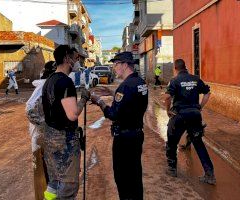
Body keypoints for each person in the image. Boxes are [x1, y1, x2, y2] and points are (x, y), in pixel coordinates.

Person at [90, 51, 148, 200]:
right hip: (136, 134)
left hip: (124, 138)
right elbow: (131, 101)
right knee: (135, 174)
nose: (114, 68)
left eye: (116, 64)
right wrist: (112, 92)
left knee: (123, 177)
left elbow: (113, 114)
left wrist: (99, 102)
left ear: (125, 65)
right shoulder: (140, 82)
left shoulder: (125, 86)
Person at [42, 45, 91, 199]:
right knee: (68, 185)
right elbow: (72, 114)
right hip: (65, 141)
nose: (78, 62)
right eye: (76, 58)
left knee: (55, 180)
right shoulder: (65, 82)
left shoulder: (49, 80)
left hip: (50, 138)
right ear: (66, 59)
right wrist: (84, 98)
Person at [164, 59, 216, 185]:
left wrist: (167, 111)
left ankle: (172, 169)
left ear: (175, 69)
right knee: (198, 143)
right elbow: (207, 93)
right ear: (185, 67)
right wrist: (200, 107)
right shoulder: (196, 79)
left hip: (179, 115)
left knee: (172, 141)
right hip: (194, 115)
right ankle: (210, 175)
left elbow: (167, 97)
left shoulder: (174, 80)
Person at [26, 61, 56, 200]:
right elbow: (30, 109)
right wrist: (46, 126)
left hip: (47, 138)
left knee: (51, 176)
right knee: (42, 176)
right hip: (41, 139)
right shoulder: (45, 86)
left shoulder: (51, 85)